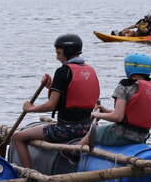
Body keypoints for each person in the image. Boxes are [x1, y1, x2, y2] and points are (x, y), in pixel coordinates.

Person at [12, 34, 100, 169]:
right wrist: (51, 86)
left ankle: (29, 174)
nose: (57, 57)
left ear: (67, 52)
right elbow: (71, 95)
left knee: (18, 137)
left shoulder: (62, 71)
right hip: (87, 128)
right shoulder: (90, 70)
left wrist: (31, 108)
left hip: (65, 129)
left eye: (59, 53)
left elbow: (52, 105)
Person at [79, 52, 151, 148]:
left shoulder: (124, 87)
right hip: (141, 137)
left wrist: (95, 114)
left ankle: (74, 154)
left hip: (121, 135)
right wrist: (106, 111)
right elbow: (130, 115)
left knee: (90, 134)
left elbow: (118, 117)